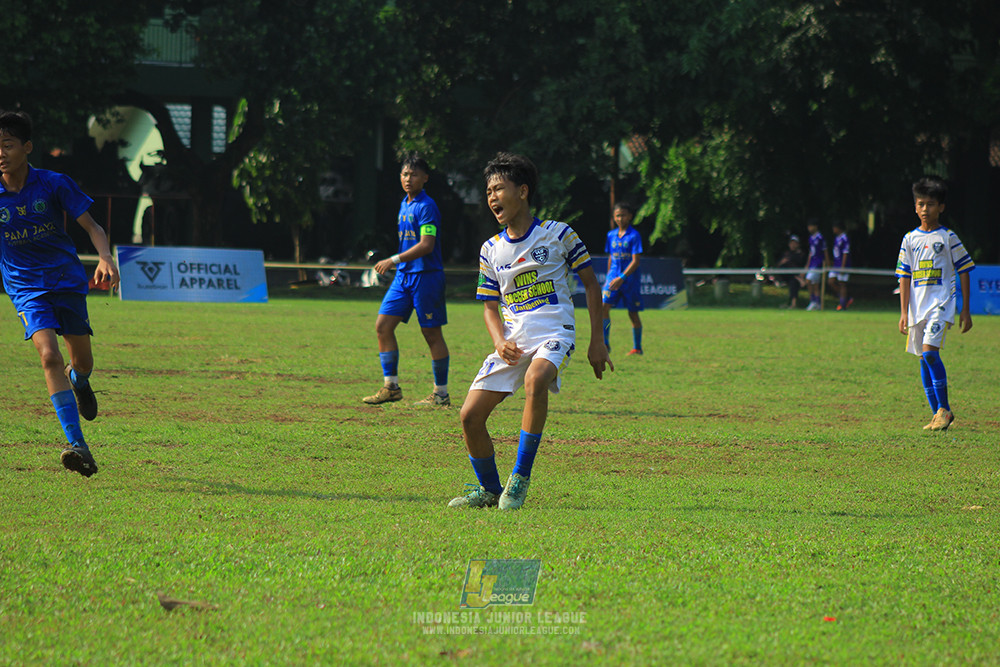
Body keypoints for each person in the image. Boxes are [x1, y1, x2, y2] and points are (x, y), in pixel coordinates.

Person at [450, 152, 612, 511]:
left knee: (536, 382)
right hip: (513, 342)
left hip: (556, 331)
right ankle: (489, 489)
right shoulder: (490, 250)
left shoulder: (559, 234)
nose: (491, 197)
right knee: (469, 416)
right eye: (488, 190)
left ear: (522, 191)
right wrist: (499, 341)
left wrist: (597, 340)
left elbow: (591, 285)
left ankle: (518, 481)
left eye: (498, 188)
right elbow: (490, 307)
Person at [0, 110, 120, 477]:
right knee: (48, 355)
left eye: (6, 145)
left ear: (27, 147)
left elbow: (93, 226)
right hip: (26, 288)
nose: (0, 153)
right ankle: (76, 444)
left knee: (81, 361)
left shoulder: (54, 183)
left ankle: (79, 379)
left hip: (66, 281)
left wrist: (104, 258)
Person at [364, 155, 450, 407]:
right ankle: (391, 387)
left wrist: (393, 259)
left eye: (413, 174)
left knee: (431, 334)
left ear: (425, 178)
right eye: (404, 174)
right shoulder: (404, 204)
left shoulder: (427, 206)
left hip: (426, 276)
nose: (408, 179)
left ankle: (441, 394)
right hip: (404, 277)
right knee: (383, 326)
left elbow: (427, 245)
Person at [896, 176, 974, 431]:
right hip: (917, 308)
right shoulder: (909, 239)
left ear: (941, 206)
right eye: (921, 204)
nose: (925, 209)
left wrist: (965, 309)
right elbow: (904, 276)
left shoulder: (948, 237)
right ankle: (937, 415)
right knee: (922, 358)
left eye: (931, 204)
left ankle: (945, 410)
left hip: (941, 304)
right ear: (915, 207)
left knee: (930, 352)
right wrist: (904, 313)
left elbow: (964, 270)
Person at [601, 201, 644, 355]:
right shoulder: (611, 235)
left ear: (630, 216)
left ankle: (637, 347)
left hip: (629, 281)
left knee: (633, 313)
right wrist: (609, 277)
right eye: (617, 216)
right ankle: (605, 344)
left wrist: (622, 277)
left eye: (623, 215)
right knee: (603, 307)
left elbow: (635, 261)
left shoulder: (634, 236)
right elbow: (611, 257)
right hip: (613, 278)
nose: (620, 219)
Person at [803, 219, 829, 311]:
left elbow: (825, 250)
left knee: (808, 280)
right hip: (812, 263)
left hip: (818, 263)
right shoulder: (811, 238)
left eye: (811, 226)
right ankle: (815, 302)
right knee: (815, 285)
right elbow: (811, 252)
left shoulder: (820, 238)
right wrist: (807, 264)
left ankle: (814, 301)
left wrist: (827, 263)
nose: (809, 228)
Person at [775, 234, 805, 308]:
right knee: (785, 266)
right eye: (791, 243)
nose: (793, 245)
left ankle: (792, 304)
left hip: (796, 275)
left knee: (793, 283)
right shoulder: (786, 254)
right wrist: (782, 262)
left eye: (795, 243)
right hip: (785, 276)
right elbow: (778, 265)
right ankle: (797, 278)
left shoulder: (801, 255)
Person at [829, 222, 853, 310]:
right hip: (836, 265)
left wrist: (843, 267)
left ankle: (842, 305)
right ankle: (846, 298)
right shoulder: (836, 238)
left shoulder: (845, 238)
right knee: (831, 281)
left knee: (842, 284)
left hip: (843, 265)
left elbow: (845, 253)